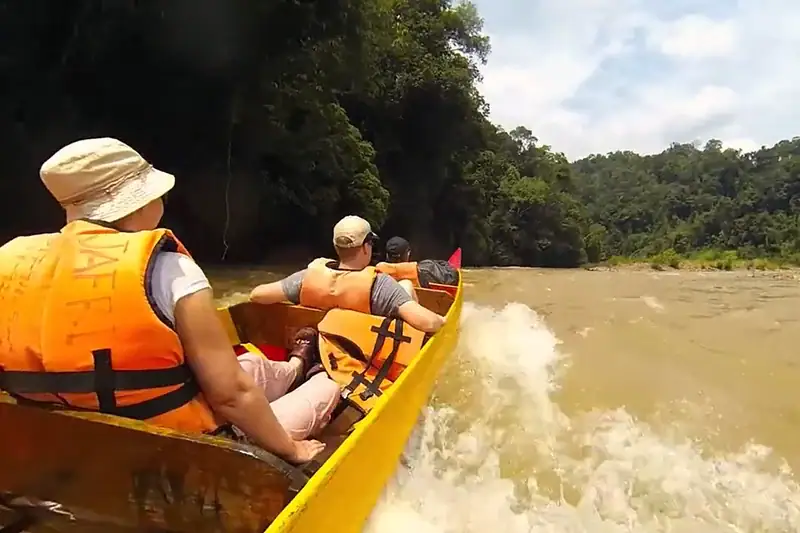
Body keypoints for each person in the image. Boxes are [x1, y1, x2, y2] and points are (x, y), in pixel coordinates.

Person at [0, 137, 335, 465]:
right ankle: (309, 372)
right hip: (178, 455)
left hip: (53, 445)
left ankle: (294, 366)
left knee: (249, 368)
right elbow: (230, 395)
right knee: (327, 388)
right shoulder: (167, 268)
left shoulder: (11, 260)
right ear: (140, 202)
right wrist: (292, 450)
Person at [248, 216, 445, 333]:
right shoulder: (380, 286)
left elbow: (257, 295)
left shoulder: (306, 277)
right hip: (362, 358)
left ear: (336, 246)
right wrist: (443, 321)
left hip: (320, 347)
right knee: (407, 286)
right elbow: (426, 322)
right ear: (367, 247)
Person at [376, 236, 460, 288]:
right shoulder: (423, 270)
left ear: (387, 255)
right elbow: (452, 277)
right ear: (408, 254)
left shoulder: (377, 272)